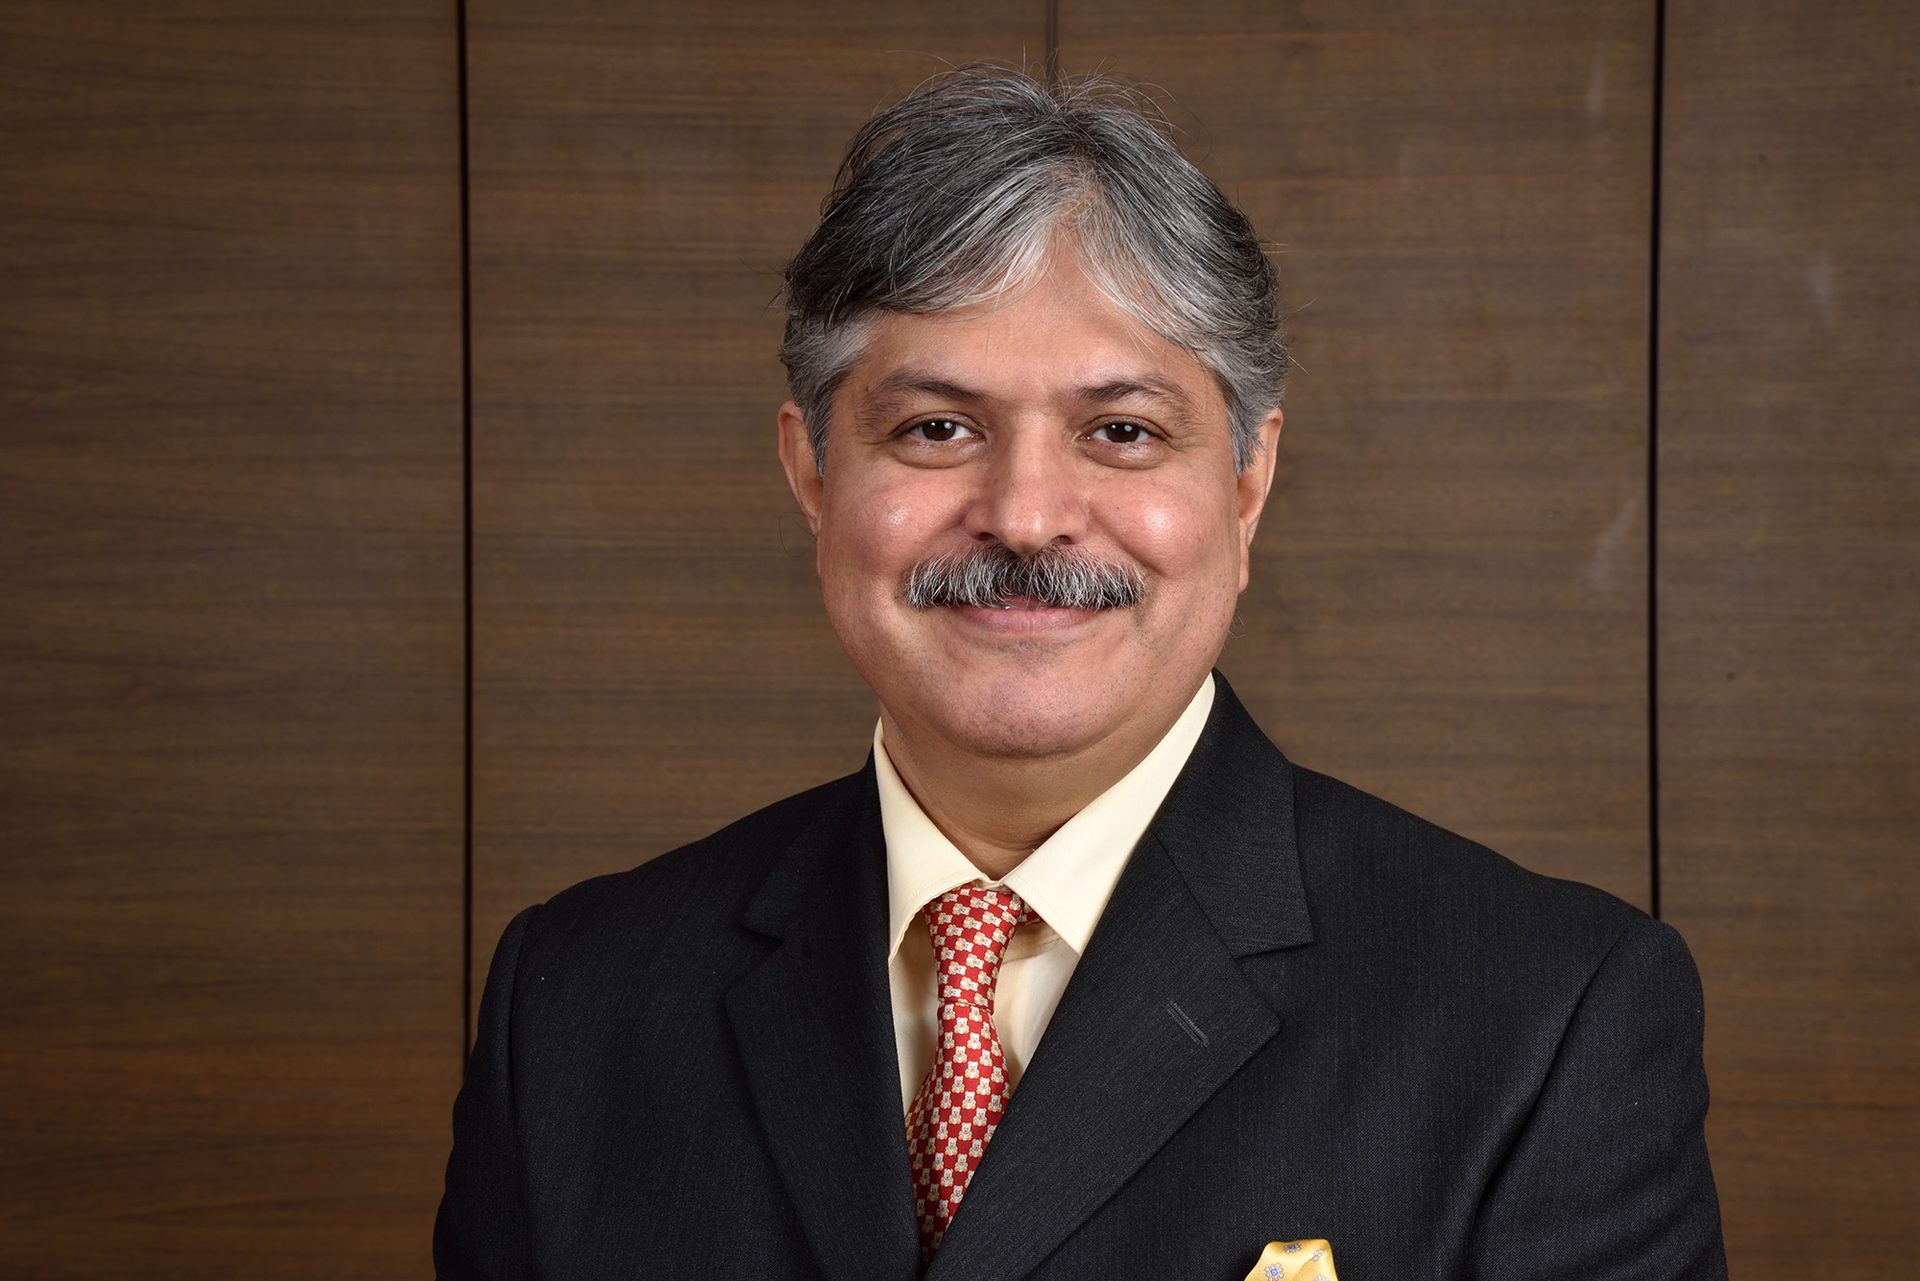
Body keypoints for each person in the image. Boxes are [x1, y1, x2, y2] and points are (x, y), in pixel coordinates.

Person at [434, 67, 1726, 1280]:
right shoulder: (575, 1011)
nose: (1028, 513)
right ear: (813, 475)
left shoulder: (1549, 1021)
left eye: (1122, 431)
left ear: (1248, 484)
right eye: (938, 428)